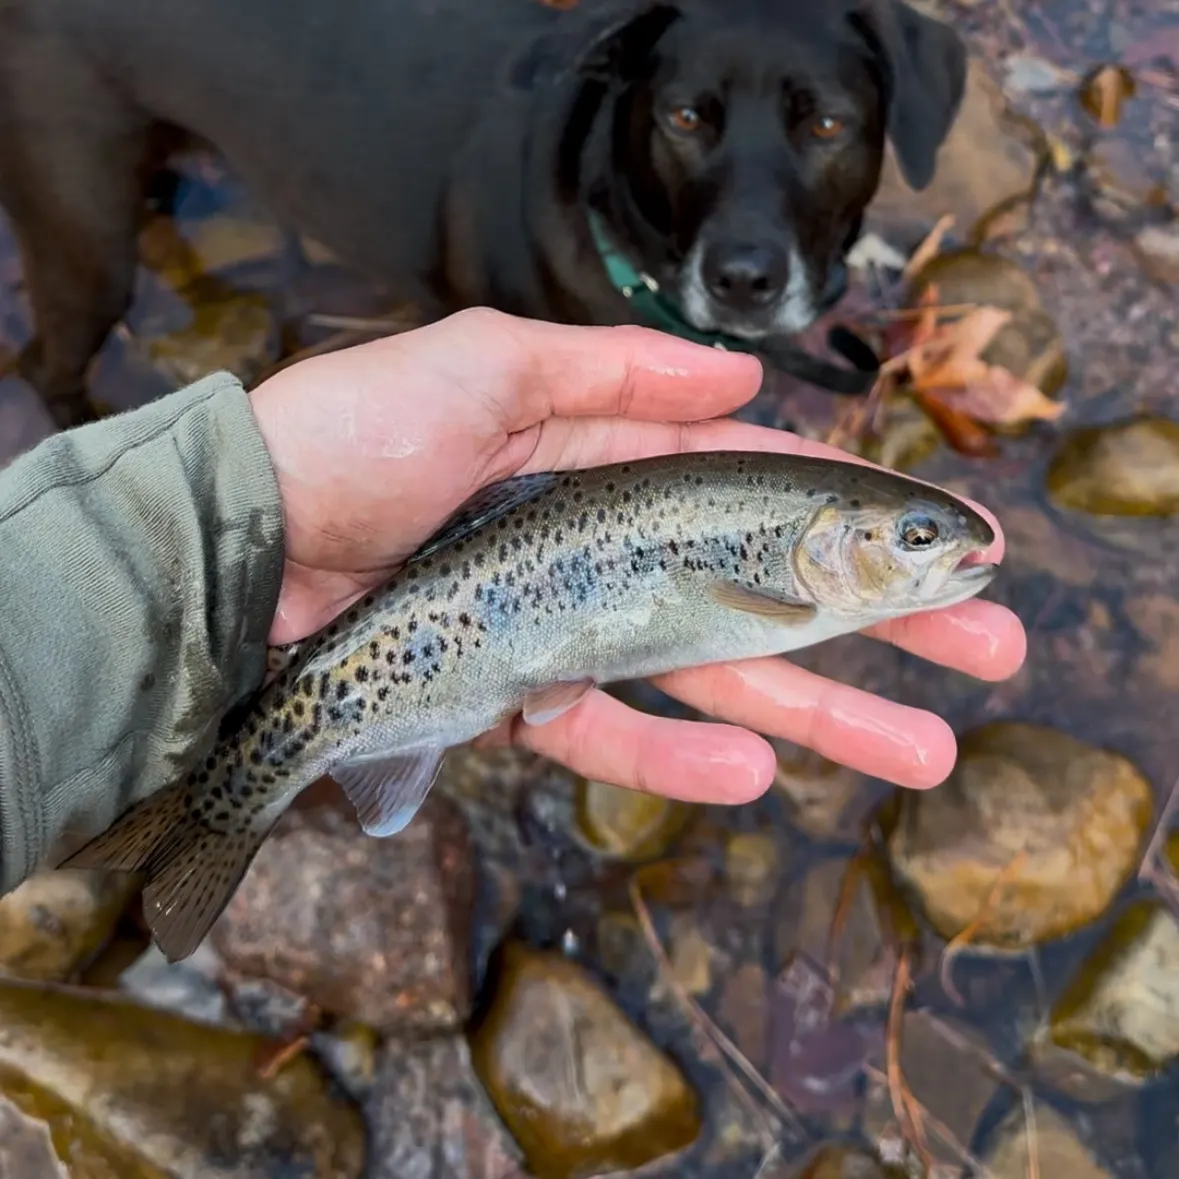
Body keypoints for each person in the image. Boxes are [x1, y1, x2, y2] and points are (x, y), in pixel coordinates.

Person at [0, 308, 1026, 893]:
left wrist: (195, 519)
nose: (937, 553)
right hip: (413, 643)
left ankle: (203, 812)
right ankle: (220, 807)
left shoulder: (792, 553)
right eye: (915, 541)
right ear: (824, 541)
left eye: (918, 538)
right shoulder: (787, 576)